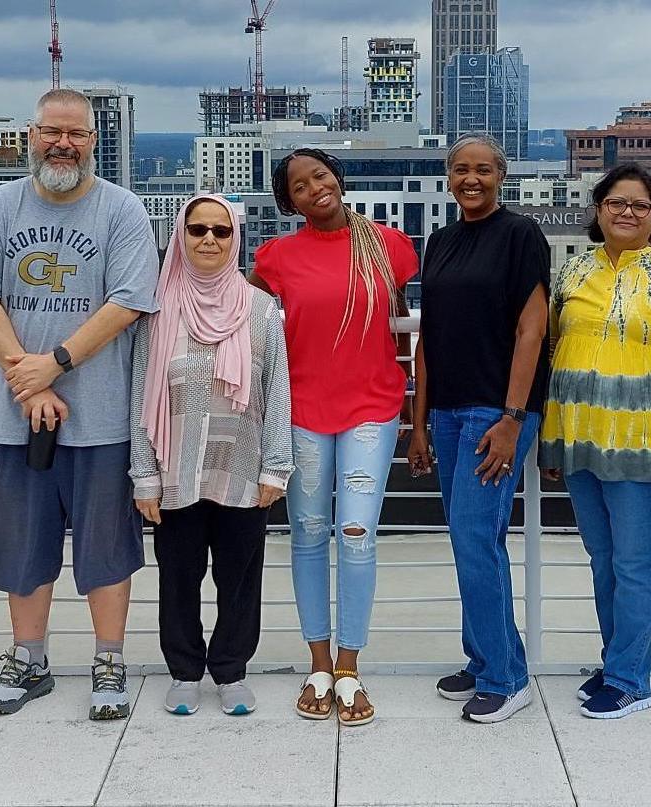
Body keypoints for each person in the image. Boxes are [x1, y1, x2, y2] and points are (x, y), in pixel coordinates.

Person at [0, 88, 159, 720]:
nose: (63, 144)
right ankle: (29, 659)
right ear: (31, 135)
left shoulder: (121, 210)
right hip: (19, 418)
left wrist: (57, 363)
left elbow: (126, 303)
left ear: (94, 141)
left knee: (106, 546)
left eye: (76, 134)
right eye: (51, 132)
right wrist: (30, 380)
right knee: (22, 545)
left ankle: (109, 661)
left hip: (100, 417)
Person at [538, 164, 651, 719]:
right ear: (598, 209)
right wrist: (552, 441)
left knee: (636, 563)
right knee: (602, 558)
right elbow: (552, 353)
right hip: (579, 441)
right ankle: (616, 660)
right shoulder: (571, 272)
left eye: (639, 205)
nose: (627, 213)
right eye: (616, 203)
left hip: (645, 444)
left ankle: (630, 678)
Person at [252, 147, 417, 727]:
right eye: (299, 185)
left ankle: (349, 665)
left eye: (320, 176)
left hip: (371, 408)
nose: (314, 188)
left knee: (356, 533)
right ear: (288, 201)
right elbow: (248, 326)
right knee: (308, 535)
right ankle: (317, 663)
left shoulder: (388, 245)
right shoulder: (275, 259)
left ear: (337, 179)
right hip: (301, 414)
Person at [130, 195, 292, 717]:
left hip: (241, 467)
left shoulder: (260, 309)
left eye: (221, 231)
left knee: (239, 577)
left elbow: (277, 390)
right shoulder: (157, 311)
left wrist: (275, 466)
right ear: (181, 235)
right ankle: (183, 671)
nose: (208, 240)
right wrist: (144, 474)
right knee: (177, 575)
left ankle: (230, 670)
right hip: (176, 467)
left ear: (234, 239)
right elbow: (140, 393)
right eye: (197, 229)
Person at [411, 134, 551, 724]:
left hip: (496, 413)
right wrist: (417, 421)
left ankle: (505, 676)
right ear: (448, 177)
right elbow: (428, 336)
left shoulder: (522, 235)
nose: (472, 179)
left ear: (501, 175)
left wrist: (512, 418)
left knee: (477, 539)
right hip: (445, 412)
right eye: (461, 170)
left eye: (484, 170)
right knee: (467, 539)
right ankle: (484, 656)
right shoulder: (440, 243)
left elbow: (532, 329)